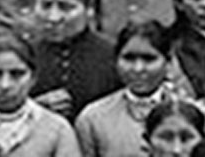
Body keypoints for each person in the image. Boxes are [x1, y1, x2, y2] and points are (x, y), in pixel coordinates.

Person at [30, 0, 121, 122]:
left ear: (89, 8)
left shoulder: (113, 56)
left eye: (66, 7)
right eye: (46, 6)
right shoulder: (23, 55)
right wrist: (34, 108)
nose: (53, 17)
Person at [73, 20, 174, 157]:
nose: (138, 69)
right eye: (129, 58)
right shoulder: (93, 118)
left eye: (149, 59)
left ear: (168, 62)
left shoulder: (190, 112)